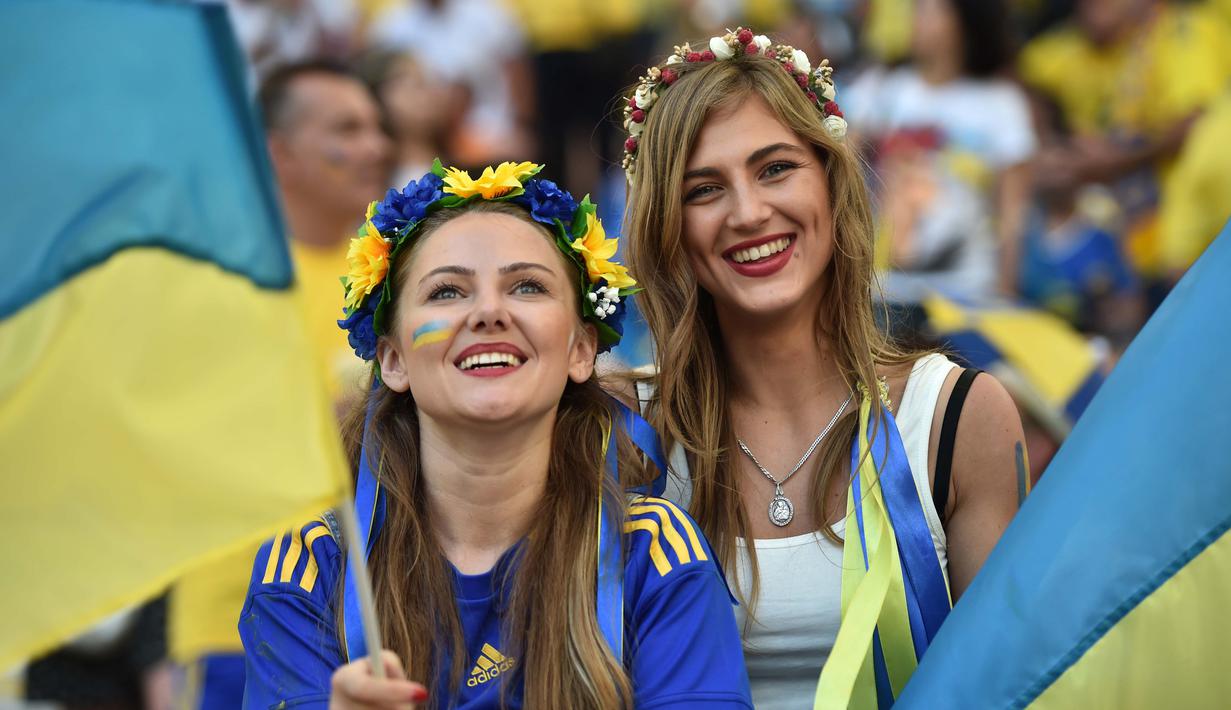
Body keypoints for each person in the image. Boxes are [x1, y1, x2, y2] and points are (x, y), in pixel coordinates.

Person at [238, 161, 753, 708]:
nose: (488, 311)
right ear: (392, 360)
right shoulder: (314, 563)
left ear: (582, 349)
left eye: (527, 286)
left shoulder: (651, 549)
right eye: (446, 293)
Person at [617, 29, 1025, 708]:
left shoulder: (959, 417)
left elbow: (1006, 683)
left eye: (775, 168)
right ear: (667, 227)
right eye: (703, 189)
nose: (748, 213)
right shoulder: (623, 431)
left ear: (831, 183)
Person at [844, 0, 1036, 305]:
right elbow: (843, 172)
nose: (916, 18)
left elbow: (1013, 212)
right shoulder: (882, 89)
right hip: (883, 288)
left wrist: (1005, 291)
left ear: (964, 20)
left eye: (929, 9)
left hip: (968, 290)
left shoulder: (1002, 103)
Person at [260, 59, 391, 407]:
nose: (377, 148)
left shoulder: (397, 262)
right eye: (348, 130)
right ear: (280, 154)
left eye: (377, 128)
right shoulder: (244, 279)